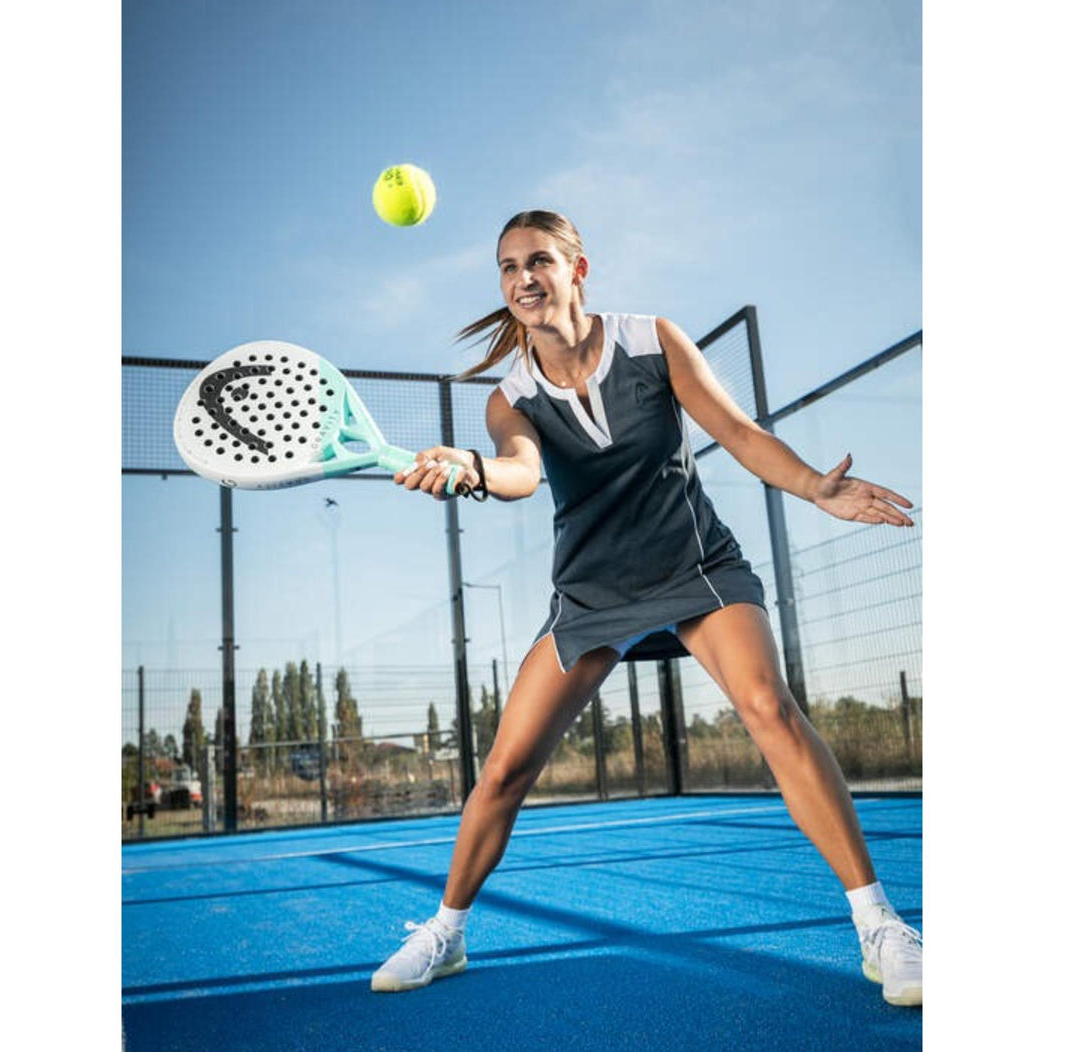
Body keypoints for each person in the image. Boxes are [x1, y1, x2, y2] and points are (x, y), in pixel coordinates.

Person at [372, 210, 922, 1006]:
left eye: (538, 262)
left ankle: (881, 927)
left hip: (695, 569)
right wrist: (472, 468)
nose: (522, 279)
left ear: (577, 269)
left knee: (769, 707)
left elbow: (733, 431)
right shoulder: (510, 398)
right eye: (506, 268)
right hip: (593, 592)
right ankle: (445, 932)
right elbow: (522, 471)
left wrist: (814, 486)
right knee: (504, 769)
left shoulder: (651, 338)